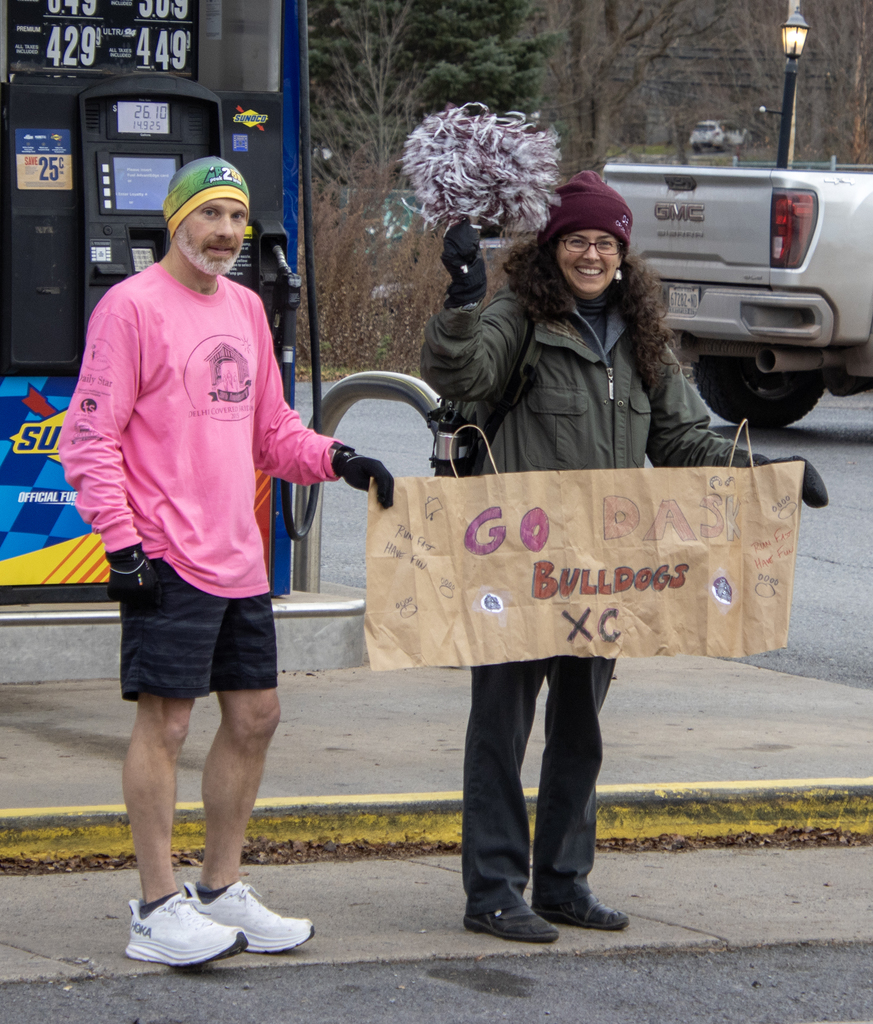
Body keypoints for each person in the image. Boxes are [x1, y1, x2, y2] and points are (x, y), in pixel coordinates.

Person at [421, 170, 828, 944]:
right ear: (550, 249)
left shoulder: (641, 336)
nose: (589, 254)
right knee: (500, 728)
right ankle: (493, 891)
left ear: (622, 252)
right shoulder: (516, 318)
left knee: (581, 727)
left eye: (604, 242)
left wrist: (765, 473)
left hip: (606, 566)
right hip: (517, 559)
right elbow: (460, 372)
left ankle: (564, 884)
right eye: (575, 239)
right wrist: (463, 299)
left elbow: (679, 439)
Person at [58, 156, 394, 967]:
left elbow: (269, 430)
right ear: (176, 220)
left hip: (236, 555)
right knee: (167, 724)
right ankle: (154, 906)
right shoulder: (130, 308)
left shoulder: (245, 308)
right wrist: (121, 543)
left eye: (236, 220)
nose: (225, 234)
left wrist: (338, 458)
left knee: (254, 718)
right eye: (210, 216)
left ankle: (219, 888)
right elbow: (88, 438)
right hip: (164, 552)